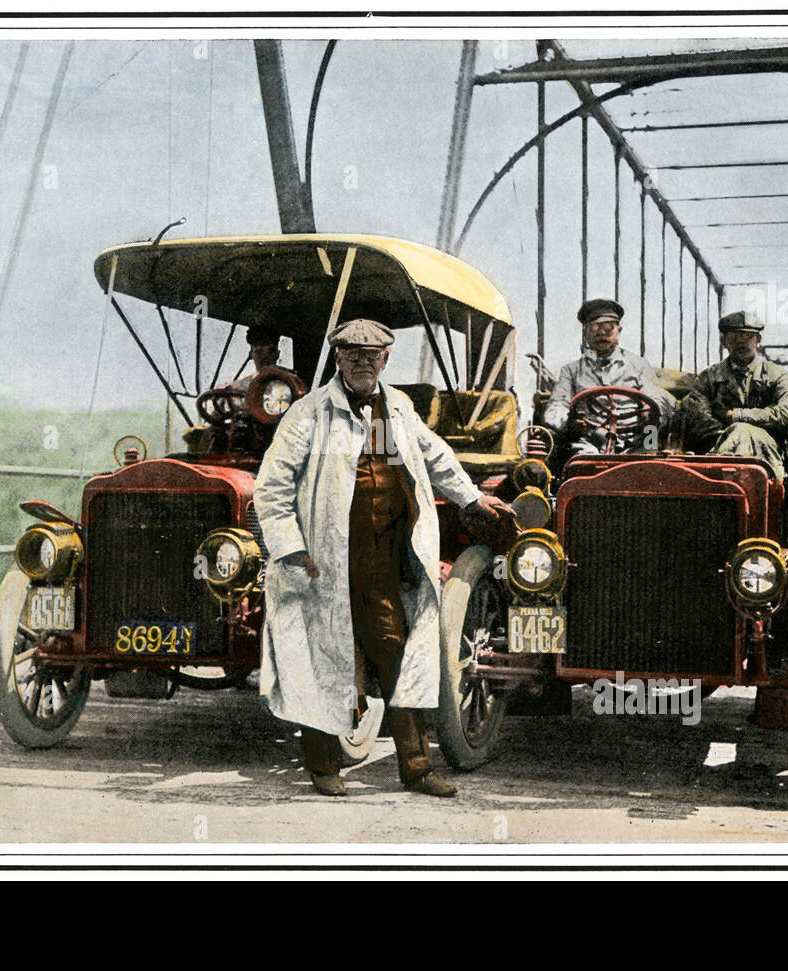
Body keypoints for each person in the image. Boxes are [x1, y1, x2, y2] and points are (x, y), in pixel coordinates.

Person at [253, 318, 516, 798]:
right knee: (320, 657)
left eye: (371, 356)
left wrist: (471, 499)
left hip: (382, 561)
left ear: (385, 359)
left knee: (398, 654)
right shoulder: (309, 414)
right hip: (323, 563)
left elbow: (434, 456)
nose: (361, 363)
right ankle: (323, 767)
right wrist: (290, 549)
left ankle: (416, 768)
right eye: (352, 355)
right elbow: (271, 488)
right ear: (338, 359)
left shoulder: (398, 408)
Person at [542, 298, 675, 454]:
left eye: (609, 327)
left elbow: (656, 399)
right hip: (589, 441)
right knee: (582, 463)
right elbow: (557, 405)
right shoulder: (571, 371)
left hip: (637, 440)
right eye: (594, 327)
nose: (601, 333)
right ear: (585, 332)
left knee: (651, 460)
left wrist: (651, 412)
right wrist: (566, 422)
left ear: (619, 330)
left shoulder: (639, 365)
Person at [677, 310, 788, 479]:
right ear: (724, 341)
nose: (741, 342)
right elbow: (698, 419)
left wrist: (736, 416)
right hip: (718, 447)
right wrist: (733, 433)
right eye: (734, 337)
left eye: (748, 336)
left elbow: (785, 416)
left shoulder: (777, 376)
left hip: (765, 453)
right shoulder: (709, 378)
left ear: (758, 341)